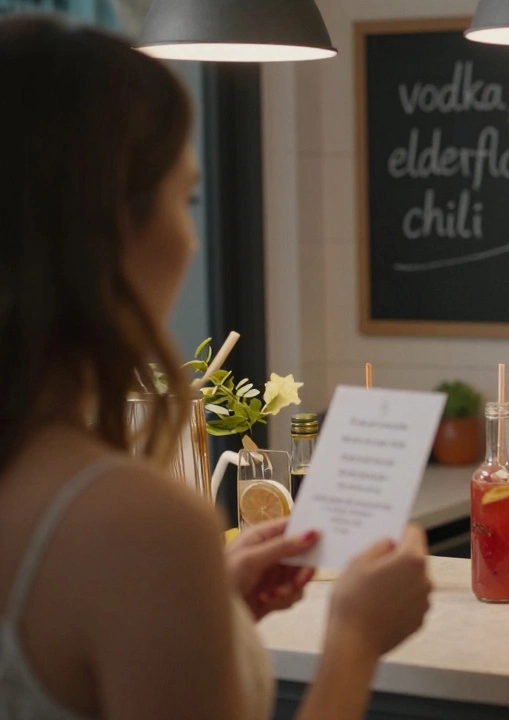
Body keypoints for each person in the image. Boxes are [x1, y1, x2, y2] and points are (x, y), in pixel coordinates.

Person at [0, 17, 431, 720]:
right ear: (109, 228)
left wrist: (209, 608)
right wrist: (355, 638)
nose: (194, 240)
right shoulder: (138, 524)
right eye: (185, 198)